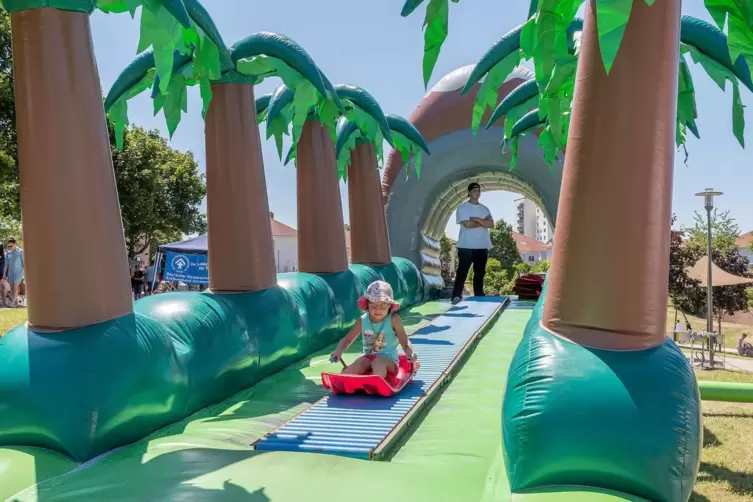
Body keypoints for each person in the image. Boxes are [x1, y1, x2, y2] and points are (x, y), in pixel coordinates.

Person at [330, 280, 416, 378]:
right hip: (368, 357)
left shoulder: (393, 320)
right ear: (367, 305)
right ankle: (344, 379)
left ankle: (375, 383)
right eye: (373, 306)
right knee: (359, 363)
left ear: (389, 305)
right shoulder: (363, 320)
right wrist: (339, 351)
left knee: (378, 362)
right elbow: (347, 339)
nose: (378, 310)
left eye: (383, 305)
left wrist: (410, 354)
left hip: (389, 360)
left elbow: (404, 342)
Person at [451, 182, 494, 305]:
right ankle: (456, 295)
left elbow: (491, 224)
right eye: (474, 190)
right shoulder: (462, 208)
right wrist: (483, 222)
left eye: (479, 190)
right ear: (469, 192)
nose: (477, 192)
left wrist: (476, 219)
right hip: (466, 245)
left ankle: (479, 295)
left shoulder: (484, 208)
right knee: (462, 271)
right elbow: (467, 225)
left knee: (480, 272)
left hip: (482, 245)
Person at [4, 238, 23, 308]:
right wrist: (4, 273)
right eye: (9, 246)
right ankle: (16, 303)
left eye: (11, 246)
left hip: (18, 272)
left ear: (15, 244)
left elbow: (24, 263)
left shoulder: (21, 252)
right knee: (12, 289)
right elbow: (6, 264)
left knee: (15, 287)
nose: (10, 248)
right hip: (10, 273)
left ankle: (12, 303)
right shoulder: (8, 253)